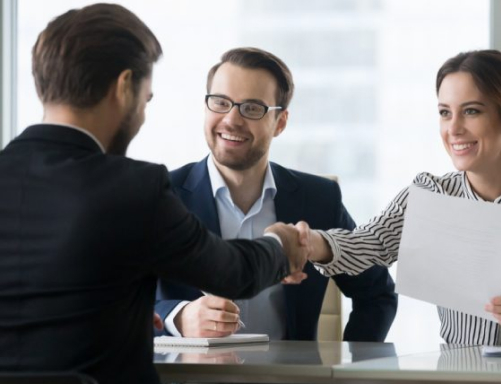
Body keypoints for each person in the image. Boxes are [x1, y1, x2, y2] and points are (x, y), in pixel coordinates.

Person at [0, 4, 307, 384]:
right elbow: (231, 272)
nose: (142, 115)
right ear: (124, 86)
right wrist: (280, 244)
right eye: (145, 99)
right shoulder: (132, 188)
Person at [287, 49, 501, 347]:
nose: (453, 128)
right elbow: (370, 242)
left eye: (471, 111)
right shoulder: (432, 194)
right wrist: (310, 243)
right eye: (444, 112)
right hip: (454, 374)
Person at [155, 47, 397, 342]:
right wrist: (177, 317)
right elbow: (107, 304)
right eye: (220, 103)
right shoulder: (158, 195)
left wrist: (350, 370)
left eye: (252, 108)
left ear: (280, 122)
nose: (231, 120)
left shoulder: (319, 199)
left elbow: (377, 293)